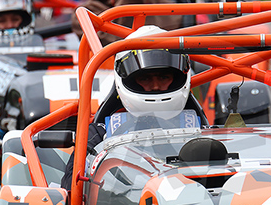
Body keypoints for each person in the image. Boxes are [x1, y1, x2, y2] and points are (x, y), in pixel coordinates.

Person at [60, 25, 193, 189]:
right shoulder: (99, 134)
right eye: (145, 79)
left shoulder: (200, 127)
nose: (156, 86)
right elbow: (70, 189)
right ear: (128, 80)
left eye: (164, 77)